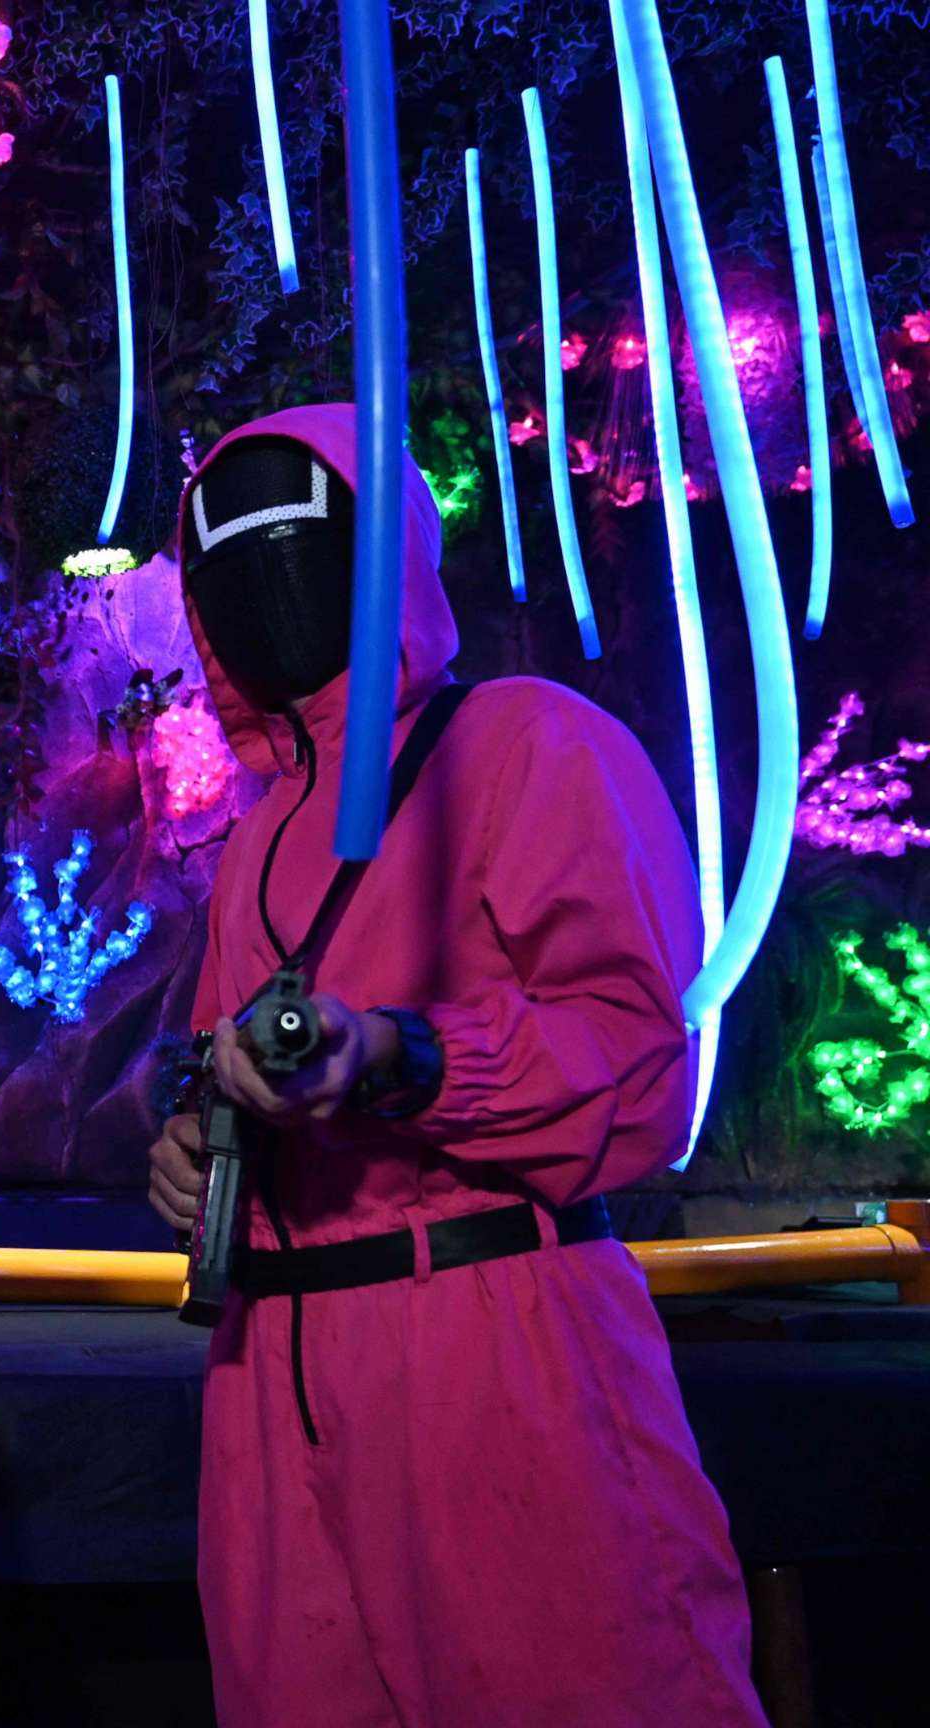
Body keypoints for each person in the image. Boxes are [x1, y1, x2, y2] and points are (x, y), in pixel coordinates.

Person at [146, 405, 764, 1726]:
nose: (259, 579)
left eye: (292, 539)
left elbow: (639, 1062)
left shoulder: (528, 745)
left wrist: (404, 1056)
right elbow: (229, 1082)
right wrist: (200, 1153)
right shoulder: (253, 845)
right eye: (222, 554)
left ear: (383, 555)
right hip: (268, 1371)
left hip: (492, 1341)